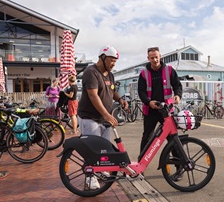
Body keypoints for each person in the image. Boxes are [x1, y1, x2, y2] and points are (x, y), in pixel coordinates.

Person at [77, 45, 128, 189]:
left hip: (103, 120)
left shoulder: (110, 74)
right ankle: (90, 177)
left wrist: (120, 100)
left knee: (104, 150)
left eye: (115, 61)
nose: (113, 64)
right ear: (103, 57)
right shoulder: (90, 72)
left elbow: (112, 91)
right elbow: (93, 95)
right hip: (89, 118)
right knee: (92, 150)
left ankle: (100, 170)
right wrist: (106, 114)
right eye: (112, 60)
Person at [138, 46, 182, 154]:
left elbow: (177, 85)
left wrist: (178, 95)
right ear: (148, 58)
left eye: (156, 57)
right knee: (147, 137)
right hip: (151, 111)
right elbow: (141, 92)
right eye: (152, 58)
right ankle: (141, 164)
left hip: (166, 110)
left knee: (172, 137)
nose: (155, 60)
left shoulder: (170, 70)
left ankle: (178, 163)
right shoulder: (143, 74)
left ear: (160, 56)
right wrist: (149, 102)